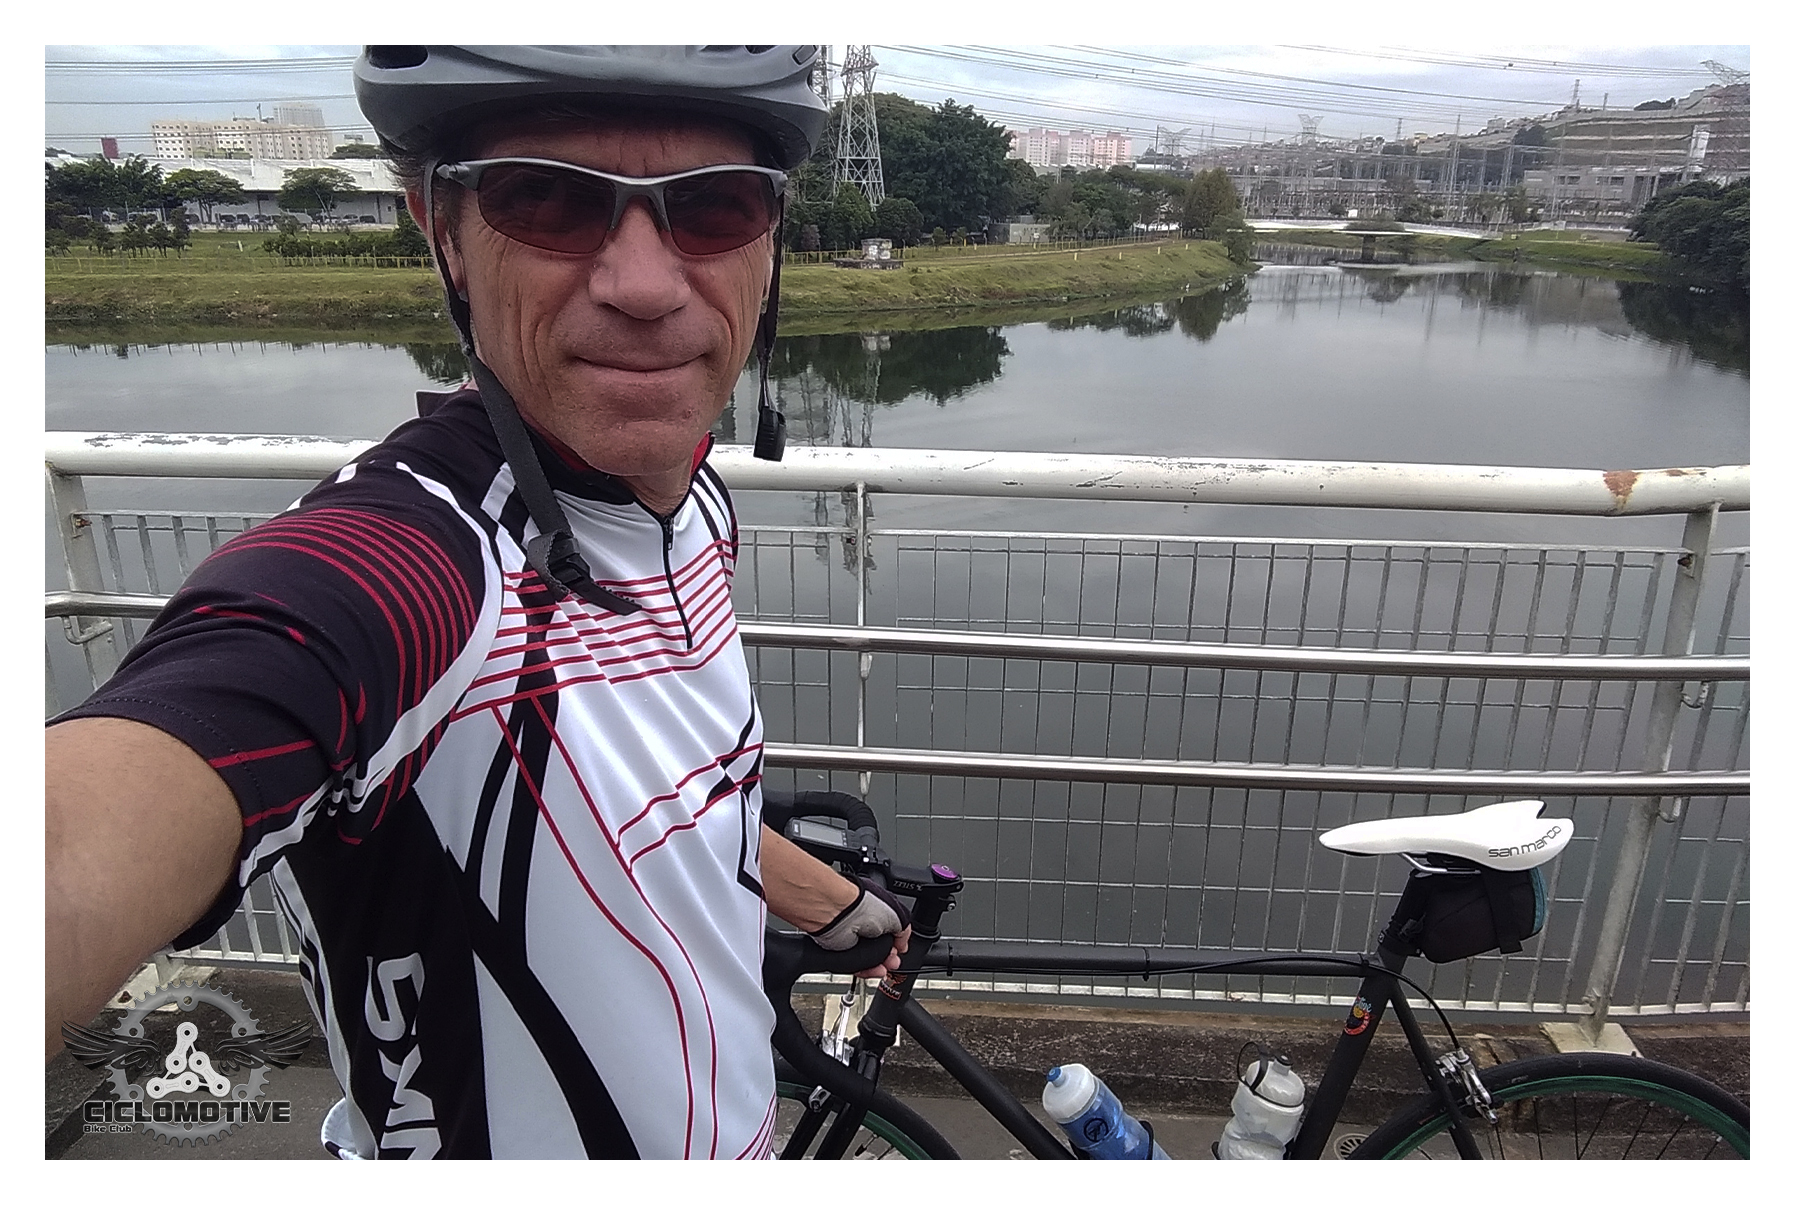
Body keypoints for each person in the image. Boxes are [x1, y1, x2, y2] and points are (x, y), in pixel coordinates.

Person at [45, 45, 911, 1159]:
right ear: (442, 232)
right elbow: (99, 813)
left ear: (769, 239)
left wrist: (821, 899)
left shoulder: (693, 501)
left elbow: (661, 811)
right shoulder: (420, 564)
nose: (644, 284)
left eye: (713, 207)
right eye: (546, 200)